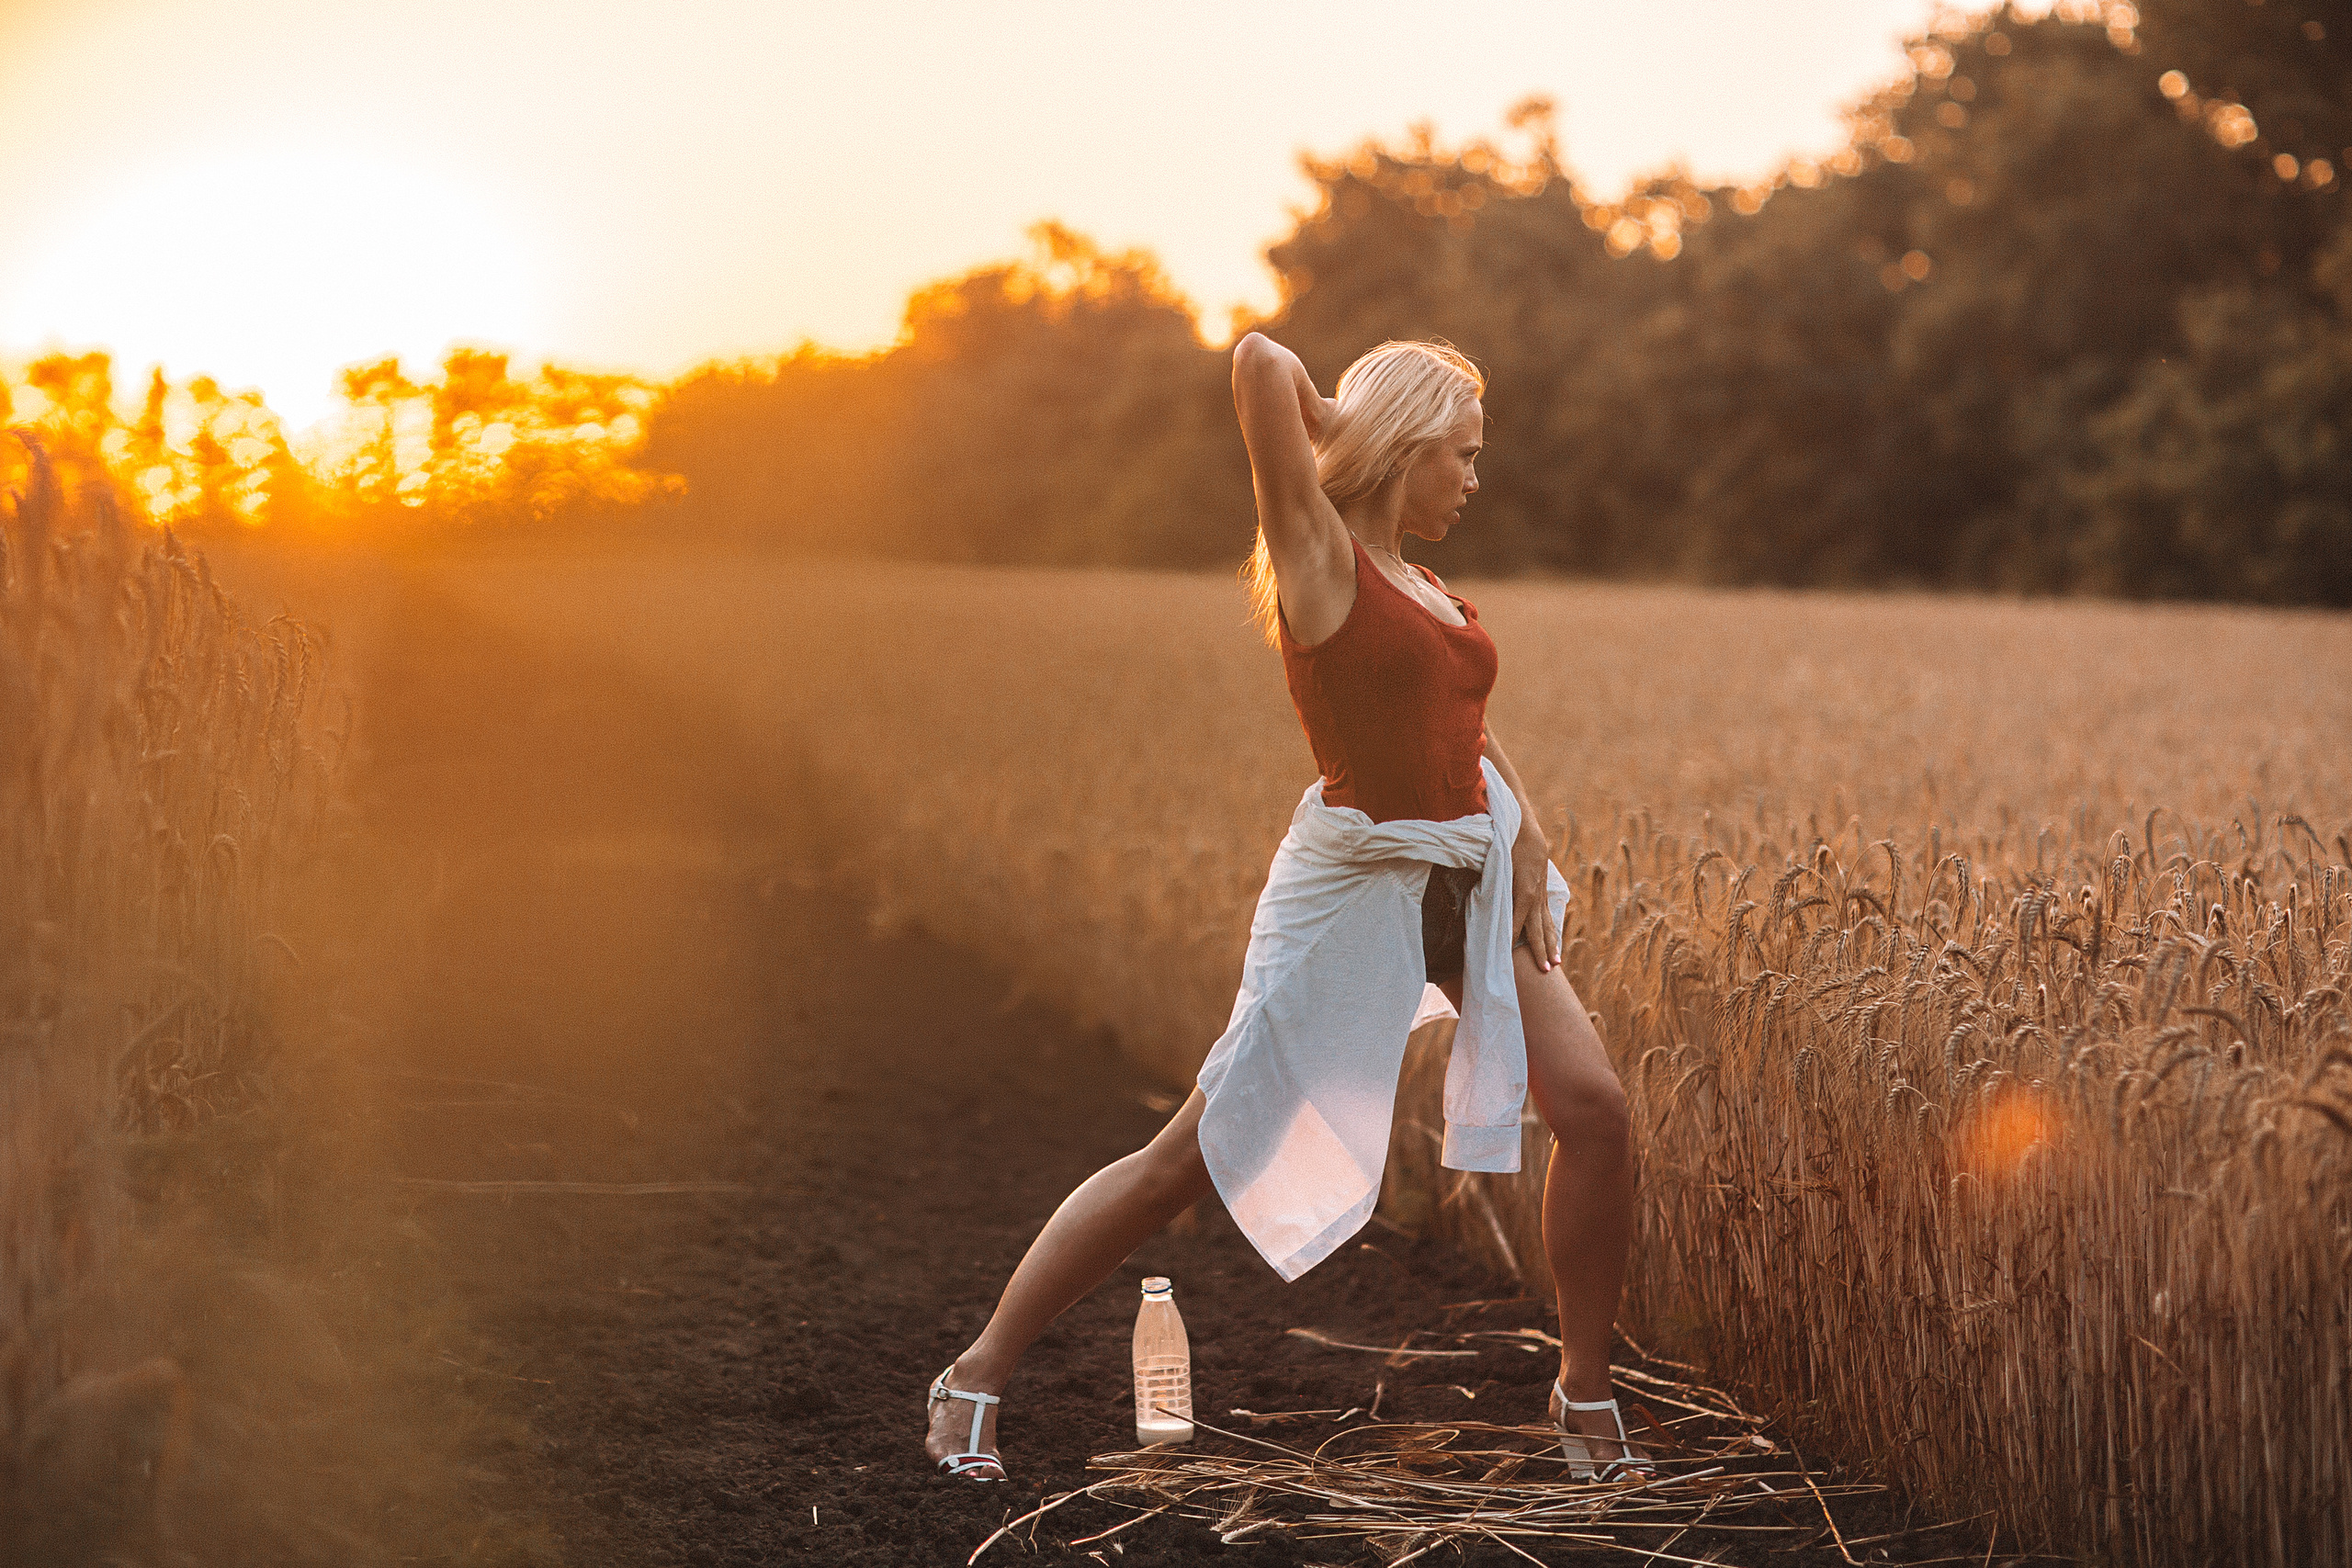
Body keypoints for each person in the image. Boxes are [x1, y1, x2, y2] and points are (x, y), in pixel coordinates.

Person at [922, 333, 1646, 1484]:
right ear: (1399, 448)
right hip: (1357, 893)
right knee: (1186, 1162)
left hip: (1468, 869)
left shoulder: (1423, 582)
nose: (1473, 479)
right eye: (1456, 454)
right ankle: (975, 1373)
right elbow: (1259, 361)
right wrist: (1339, 420)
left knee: (1598, 1115)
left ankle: (1585, 1392)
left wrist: (1530, 828)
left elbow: (1461, 710)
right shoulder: (1318, 558)